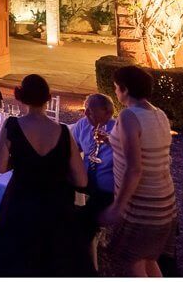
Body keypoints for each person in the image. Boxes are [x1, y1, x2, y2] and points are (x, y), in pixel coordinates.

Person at [0, 74, 90, 276]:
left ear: (21, 97)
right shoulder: (64, 132)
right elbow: (81, 180)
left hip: (20, 203)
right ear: (48, 98)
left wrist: (21, 162)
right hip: (56, 208)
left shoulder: (12, 125)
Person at [100, 65, 177, 277]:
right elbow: (147, 149)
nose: (115, 92)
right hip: (165, 201)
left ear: (124, 89)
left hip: (143, 205)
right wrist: (110, 140)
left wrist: (117, 206)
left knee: (129, 262)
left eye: (116, 88)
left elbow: (134, 169)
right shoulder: (159, 114)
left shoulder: (128, 116)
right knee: (148, 259)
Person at [71, 93, 117, 269]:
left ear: (107, 112)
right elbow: (73, 150)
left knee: (84, 223)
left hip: (107, 189)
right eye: (85, 110)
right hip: (85, 181)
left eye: (90, 111)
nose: (85, 115)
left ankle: (90, 269)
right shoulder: (82, 125)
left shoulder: (118, 130)